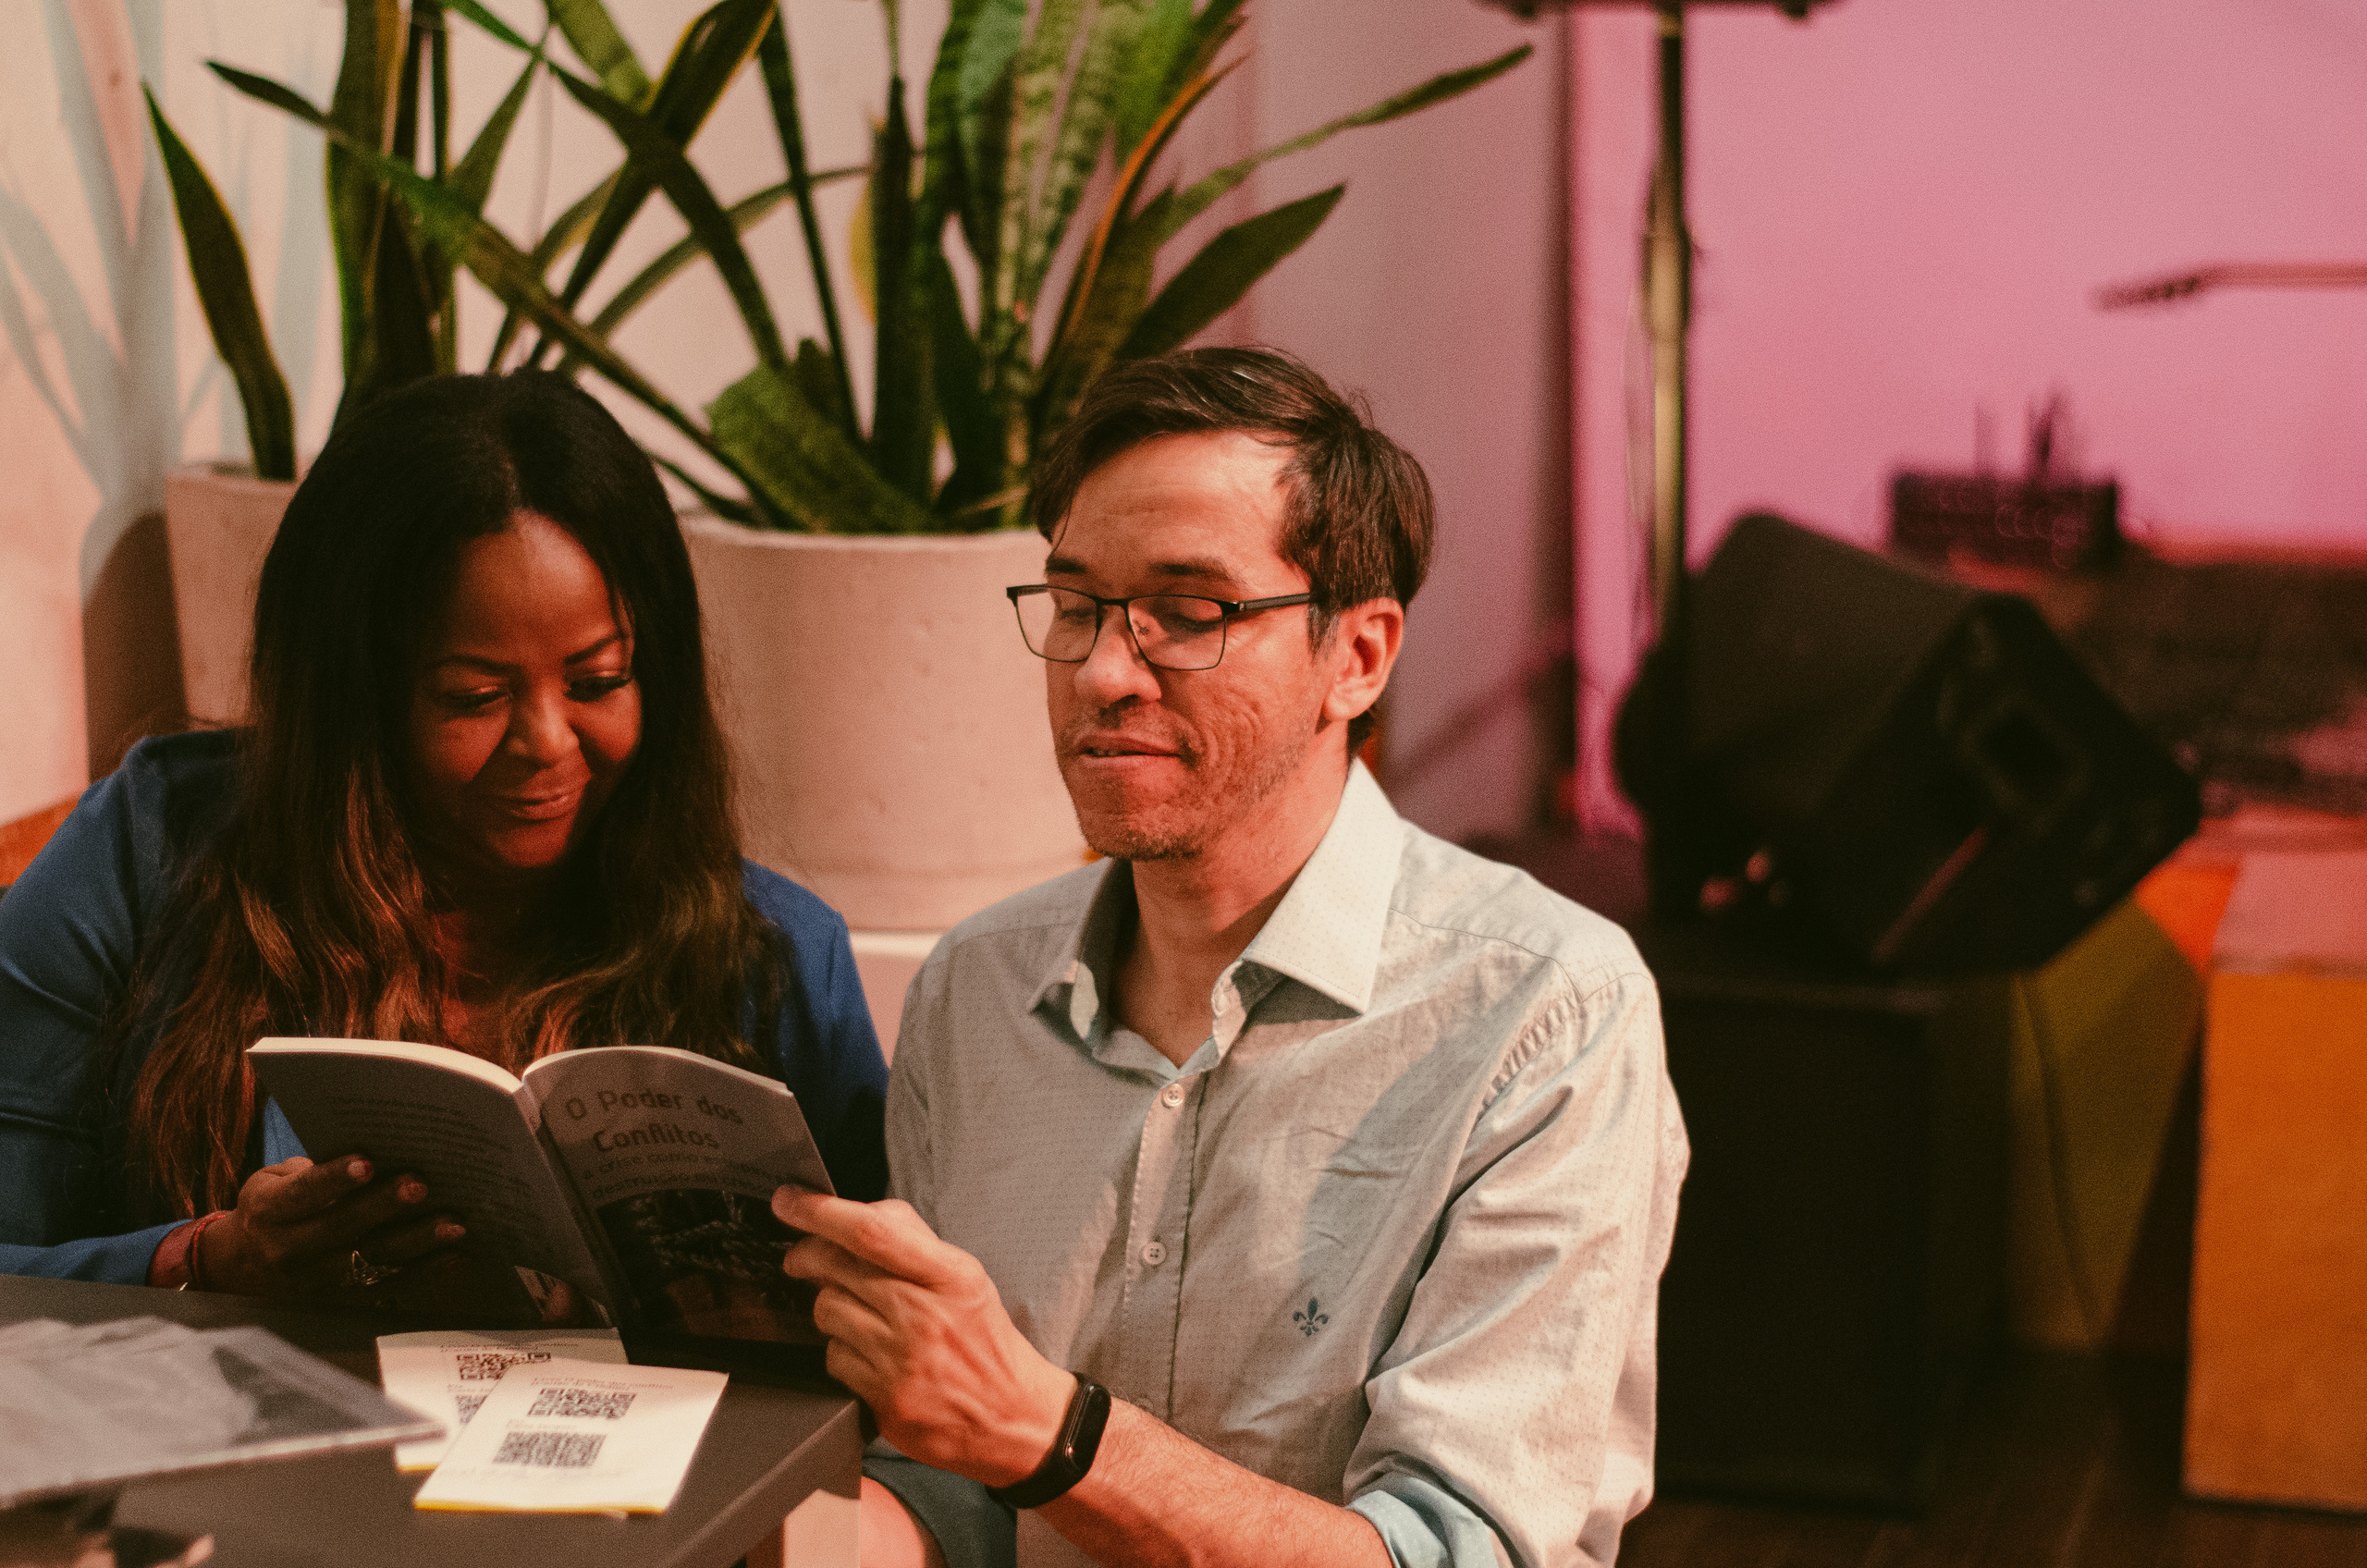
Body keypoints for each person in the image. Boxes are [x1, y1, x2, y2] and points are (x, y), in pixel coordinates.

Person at [774, 348, 1688, 1568]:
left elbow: (1445, 1554)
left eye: (1189, 616)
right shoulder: (977, 989)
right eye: (1077, 607)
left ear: (1357, 657)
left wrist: (1052, 1436)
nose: (1104, 672)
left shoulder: (1546, 1008)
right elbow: (950, 1494)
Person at [0, 371, 888, 1317]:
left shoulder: (773, 959)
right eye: (474, 696)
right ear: (355, 696)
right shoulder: (149, 856)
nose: (547, 742)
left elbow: (900, 1347)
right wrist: (207, 1260)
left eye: (599, 680)